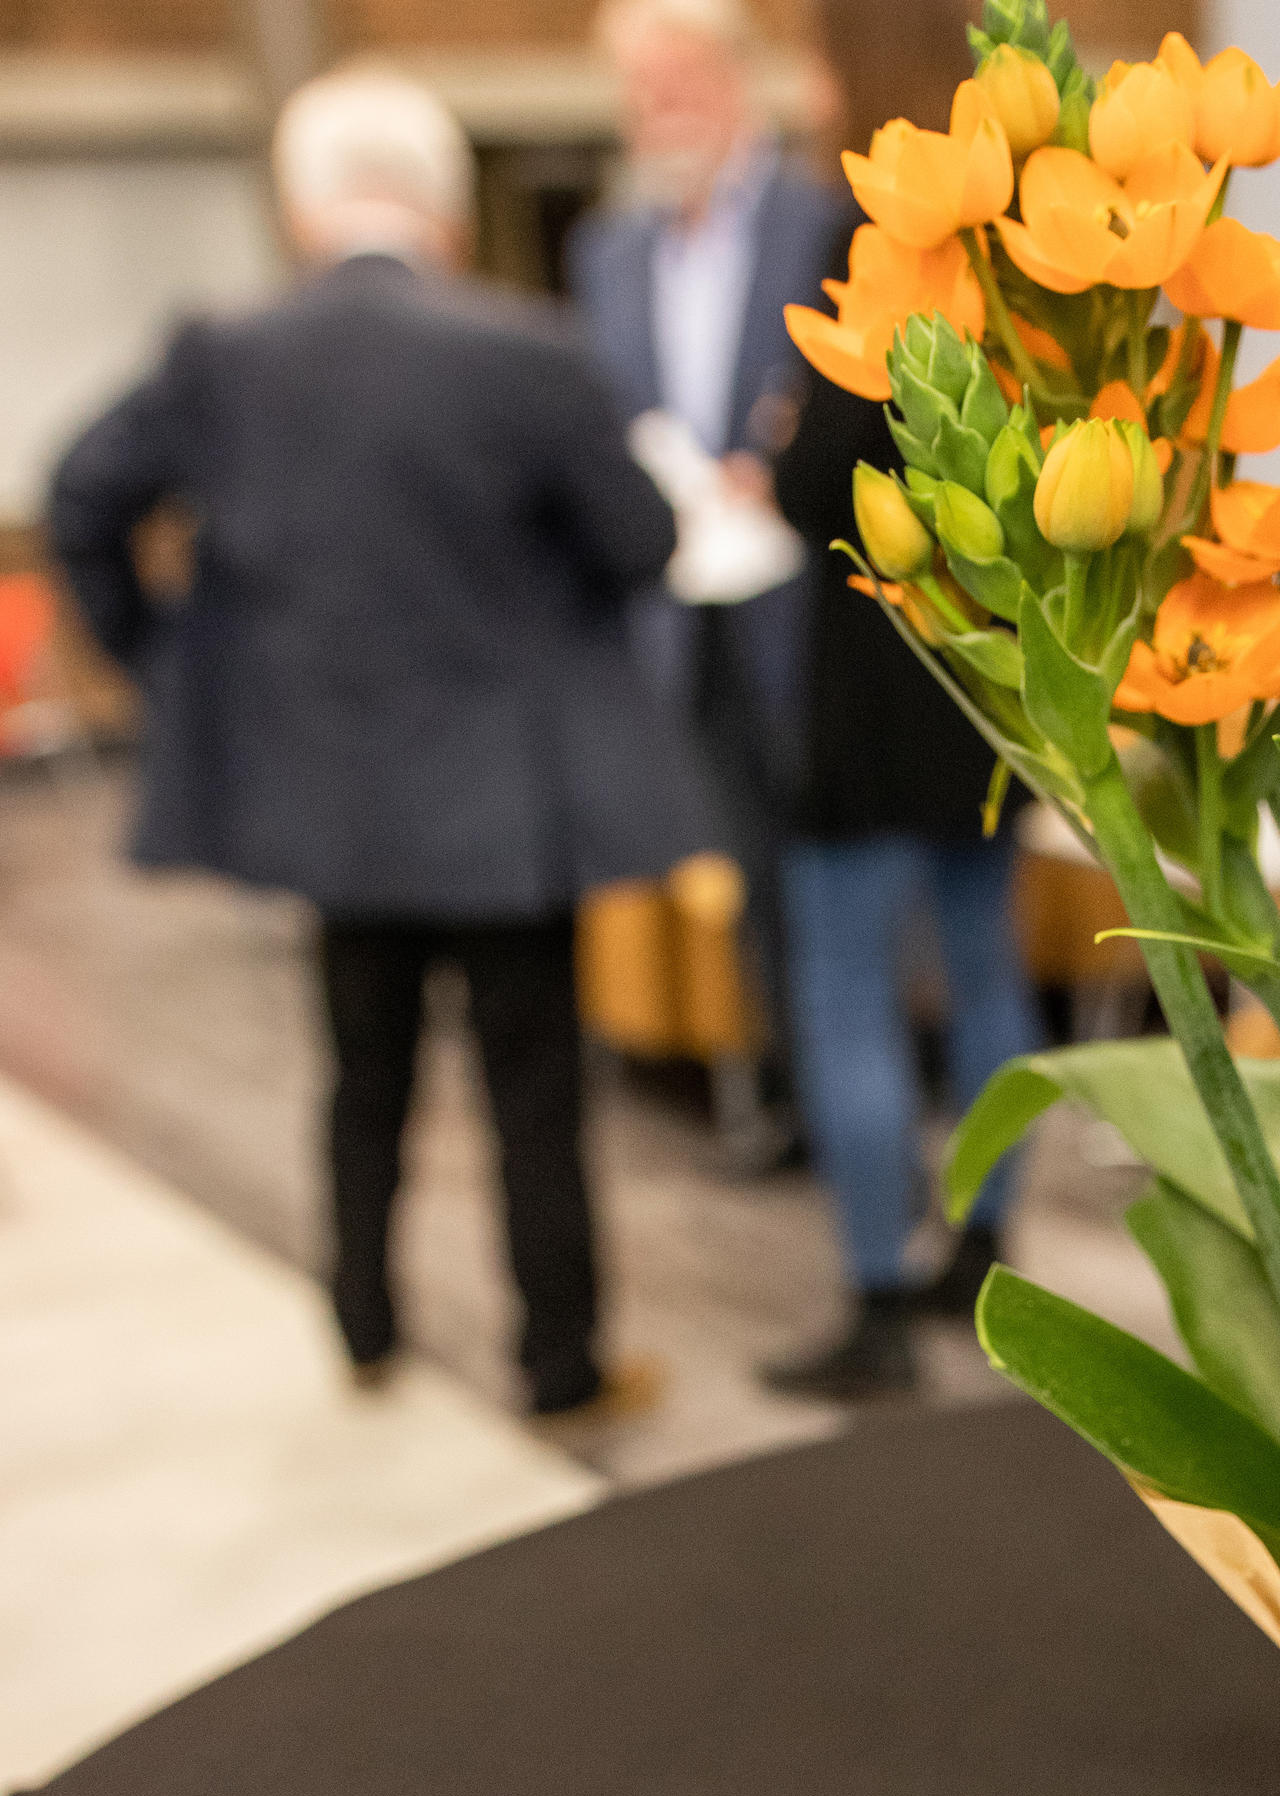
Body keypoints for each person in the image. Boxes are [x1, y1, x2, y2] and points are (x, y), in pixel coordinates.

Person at [47, 64, 692, 1421]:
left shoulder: (226, 356)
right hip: (505, 812)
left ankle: (363, 1327)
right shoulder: (525, 352)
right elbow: (644, 541)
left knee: (361, 1078)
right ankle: (559, 1363)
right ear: (444, 210)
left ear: (303, 204)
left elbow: (81, 498)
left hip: (330, 802)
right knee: (532, 1093)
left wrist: (170, 669)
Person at [759, 0, 1039, 1404]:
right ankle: (980, 1251)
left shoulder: (871, 232)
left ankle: (875, 1301)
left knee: (844, 992)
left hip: (876, 678)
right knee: (984, 965)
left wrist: (778, 446)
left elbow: (825, 487)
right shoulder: (1027, 237)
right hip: (991, 674)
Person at [570, 0, 839, 1125]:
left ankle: (856, 1098)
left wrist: (778, 459)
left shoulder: (822, 221)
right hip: (685, 608)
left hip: (811, 604)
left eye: (676, 82)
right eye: (638, 90)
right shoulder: (609, 249)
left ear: (736, 84)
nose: (656, 111)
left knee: (836, 871)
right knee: (741, 864)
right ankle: (779, 1088)